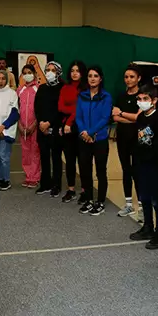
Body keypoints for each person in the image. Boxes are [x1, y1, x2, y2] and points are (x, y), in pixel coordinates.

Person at [128, 84, 158, 249]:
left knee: (156, 199)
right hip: (141, 163)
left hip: (154, 166)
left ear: (154, 100)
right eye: (139, 99)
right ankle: (148, 226)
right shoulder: (141, 118)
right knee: (144, 197)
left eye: (145, 99)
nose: (141, 102)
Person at [76, 65, 113, 216]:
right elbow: (78, 117)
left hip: (100, 139)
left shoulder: (106, 96)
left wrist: (91, 132)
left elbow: (105, 118)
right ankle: (89, 200)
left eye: (96, 76)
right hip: (84, 139)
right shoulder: (82, 96)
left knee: (100, 171)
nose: (92, 78)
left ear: (101, 78)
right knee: (85, 170)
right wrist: (84, 132)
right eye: (90, 76)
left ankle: (100, 201)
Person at [113, 64, 142, 217]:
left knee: (138, 171)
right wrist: (132, 118)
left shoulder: (143, 97)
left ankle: (143, 205)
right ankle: (129, 204)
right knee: (126, 170)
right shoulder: (120, 96)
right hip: (122, 138)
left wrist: (123, 114)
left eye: (132, 76)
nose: (128, 79)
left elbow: (139, 117)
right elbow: (115, 116)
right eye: (126, 77)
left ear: (139, 78)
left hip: (137, 140)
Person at [58, 60, 87, 203]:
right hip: (67, 129)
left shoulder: (86, 89)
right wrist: (70, 118)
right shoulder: (65, 88)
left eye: (77, 71)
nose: (75, 73)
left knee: (83, 160)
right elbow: (61, 107)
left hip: (80, 127)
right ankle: (71, 189)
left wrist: (69, 121)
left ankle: (84, 191)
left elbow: (81, 108)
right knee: (69, 160)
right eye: (72, 71)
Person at [35, 61, 65, 197]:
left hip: (55, 128)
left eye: (53, 70)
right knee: (44, 156)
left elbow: (60, 109)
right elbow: (37, 107)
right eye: (47, 69)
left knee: (56, 157)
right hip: (41, 129)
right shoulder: (41, 88)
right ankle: (45, 183)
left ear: (58, 73)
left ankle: (56, 185)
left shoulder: (62, 88)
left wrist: (49, 123)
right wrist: (41, 123)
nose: (49, 72)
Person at [17, 64, 41, 189]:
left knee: (35, 151)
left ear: (34, 74)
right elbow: (16, 109)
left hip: (35, 126)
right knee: (25, 152)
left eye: (29, 72)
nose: (27, 75)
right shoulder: (19, 89)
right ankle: (28, 176)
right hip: (22, 127)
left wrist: (34, 124)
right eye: (25, 72)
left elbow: (41, 109)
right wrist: (19, 124)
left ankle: (35, 177)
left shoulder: (39, 89)